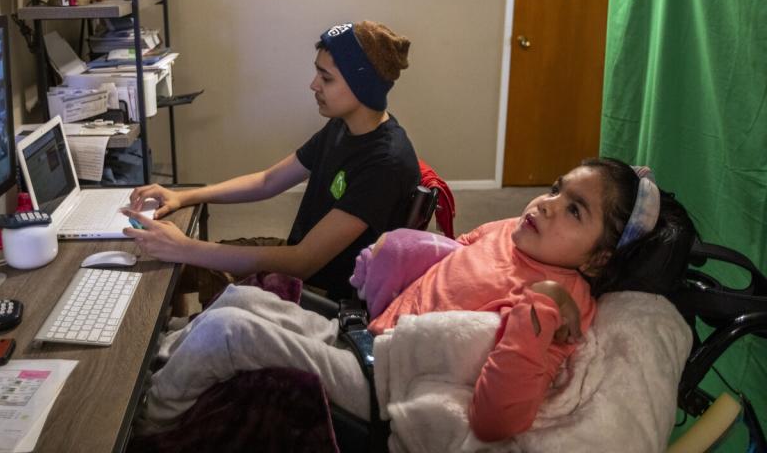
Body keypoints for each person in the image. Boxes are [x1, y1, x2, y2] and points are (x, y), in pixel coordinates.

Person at [134, 158, 698, 442]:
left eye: (575, 210)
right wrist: (399, 253)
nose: (547, 204)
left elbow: (499, 418)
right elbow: (453, 259)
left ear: (598, 260)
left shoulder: (556, 302)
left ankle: (146, 425)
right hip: (368, 333)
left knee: (232, 334)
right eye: (556, 189)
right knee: (242, 300)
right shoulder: (510, 230)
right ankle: (159, 365)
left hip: (385, 383)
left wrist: (536, 316)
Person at [126, 21, 420, 306]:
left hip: (320, 293)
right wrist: (184, 195)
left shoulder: (384, 163)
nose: (313, 84)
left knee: (182, 262)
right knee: (171, 264)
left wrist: (185, 247)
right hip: (297, 258)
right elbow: (268, 181)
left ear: (362, 85)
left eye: (326, 78)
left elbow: (303, 263)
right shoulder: (344, 127)